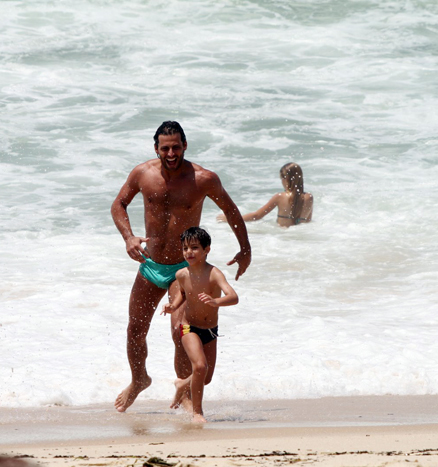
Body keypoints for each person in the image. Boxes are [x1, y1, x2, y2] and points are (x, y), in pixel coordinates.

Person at [111, 121, 251, 413]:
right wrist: (128, 237)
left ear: (185, 145)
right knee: (135, 329)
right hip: (150, 264)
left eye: (176, 146)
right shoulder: (143, 173)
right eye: (165, 148)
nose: (171, 153)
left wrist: (245, 249)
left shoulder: (203, 178)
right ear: (156, 149)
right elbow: (119, 204)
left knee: (180, 332)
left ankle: (185, 389)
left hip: (183, 268)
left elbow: (230, 209)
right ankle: (139, 380)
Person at [161, 227, 238, 423]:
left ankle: (181, 385)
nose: (189, 252)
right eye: (185, 248)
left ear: (207, 250)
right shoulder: (181, 274)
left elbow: (233, 297)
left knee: (206, 377)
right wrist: (173, 306)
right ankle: (198, 413)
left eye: (194, 248)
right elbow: (184, 295)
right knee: (200, 366)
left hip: (210, 329)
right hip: (188, 327)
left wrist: (216, 302)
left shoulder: (214, 273)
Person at [217, 162, 313, 227]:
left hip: (283, 239)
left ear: (286, 179)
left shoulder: (280, 197)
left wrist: (230, 219)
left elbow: (256, 216)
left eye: (281, 178)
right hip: (300, 243)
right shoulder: (309, 198)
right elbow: (307, 224)